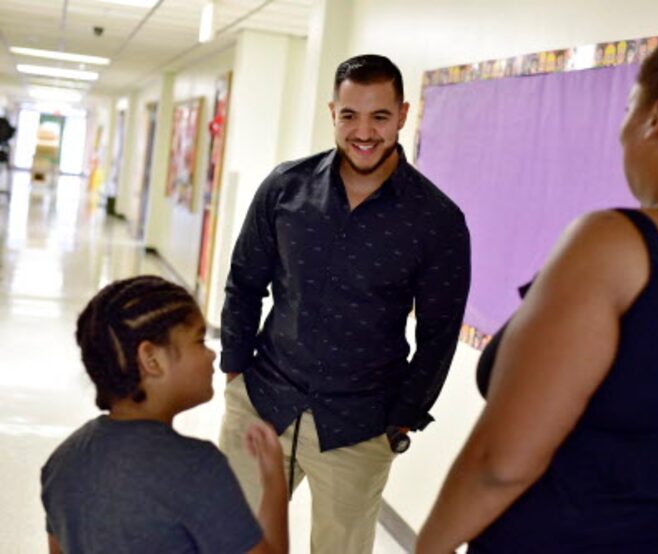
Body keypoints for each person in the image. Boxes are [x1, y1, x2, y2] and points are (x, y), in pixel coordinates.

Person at [417, 23, 658, 553]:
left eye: (630, 107)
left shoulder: (613, 243)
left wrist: (429, 547)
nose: (623, 129)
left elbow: (502, 464)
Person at [219, 54, 471, 554]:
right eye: (350, 115)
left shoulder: (437, 220)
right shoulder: (284, 188)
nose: (364, 132)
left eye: (379, 117)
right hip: (263, 400)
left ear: (402, 114)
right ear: (332, 111)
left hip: (359, 424)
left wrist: (402, 419)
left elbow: (439, 335)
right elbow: (245, 281)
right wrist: (235, 370)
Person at [41, 276, 288, 554]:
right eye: (199, 340)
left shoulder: (63, 461)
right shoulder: (197, 468)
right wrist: (274, 484)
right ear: (151, 359)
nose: (211, 355)